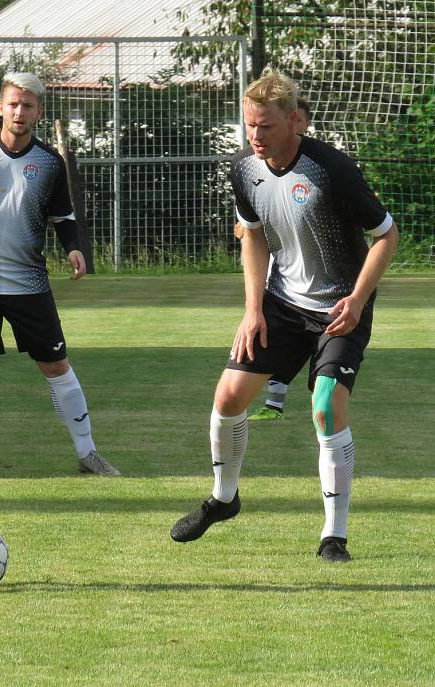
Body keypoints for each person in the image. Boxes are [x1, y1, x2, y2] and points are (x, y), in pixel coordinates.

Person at [170, 69, 398, 562]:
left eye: (265, 126)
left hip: (340, 307)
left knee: (325, 404)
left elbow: (387, 235)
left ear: (294, 121)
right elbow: (250, 234)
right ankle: (223, 499)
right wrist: (253, 310)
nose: (255, 136)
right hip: (281, 304)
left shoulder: (330, 168)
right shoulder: (244, 171)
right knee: (228, 397)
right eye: (249, 125)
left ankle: (333, 536)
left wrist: (357, 300)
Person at [0, 72, 119, 477]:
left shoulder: (49, 162)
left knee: (56, 365)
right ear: (0, 107)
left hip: (28, 284)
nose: (19, 112)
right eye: (13, 104)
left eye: (28, 105)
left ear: (39, 111)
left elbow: (62, 214)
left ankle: (88, 454)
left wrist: (74, 246)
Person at [246, 95, 313, 421]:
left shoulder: (322, 167)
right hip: (280, 273)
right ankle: (275, 402)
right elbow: (251, 224)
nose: (258, 134)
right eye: (252, 125)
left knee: (315, 347)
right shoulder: (254, 168)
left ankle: (287, 400)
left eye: (299, 119)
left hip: (324, 284)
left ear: (301, 123)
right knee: (270, 333)